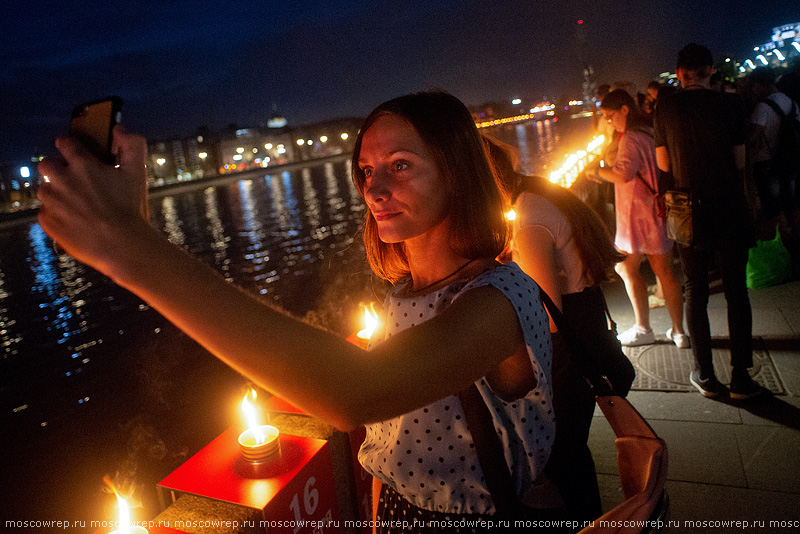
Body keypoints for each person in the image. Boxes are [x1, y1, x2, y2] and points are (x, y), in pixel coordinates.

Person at [37, 91, 562, 530]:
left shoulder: (498, 300)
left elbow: (357, 391)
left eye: (401, 166)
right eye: (366, 169)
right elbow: (391, 449)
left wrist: (131, 249)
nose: (374, 188)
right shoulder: (407, 295)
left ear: (458, 174)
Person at [485, 136, 627, 524]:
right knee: (573, 453)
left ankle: (585, 523)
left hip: (567, 348)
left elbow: (544, 315)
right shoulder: (535, 193)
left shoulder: (528, 216)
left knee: (563, 457)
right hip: (588, 327)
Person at [653, 43, 762, 400]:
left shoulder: (665, 106)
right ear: (710, 70)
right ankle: (741, 378)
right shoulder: (730, 104)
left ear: (680, 71)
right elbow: (741, 161)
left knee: (695, 292)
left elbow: (664, 165)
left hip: (689, 212)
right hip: (730, 207)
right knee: (736, 292)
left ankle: (705, 374)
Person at [587, 89, 688, 348]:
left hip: (635, 215)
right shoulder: (649, 130)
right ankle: (679, 332)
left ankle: (644, 328)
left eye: (610, 116)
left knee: (626, 268)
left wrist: (597, 171)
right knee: (665, 272)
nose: (609, 121)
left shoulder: (630, 138)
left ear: (625, 109)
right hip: (656, 211)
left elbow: (623, 174)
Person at [747, 66, 800, 242]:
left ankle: (784, 244)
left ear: (760, 84)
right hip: (791, 161)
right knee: (792, 204)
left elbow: (753, 139)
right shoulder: (792, 103)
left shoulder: (763, 106)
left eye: (753, 85)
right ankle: (797, 243)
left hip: (766, 165)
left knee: (774, 208)